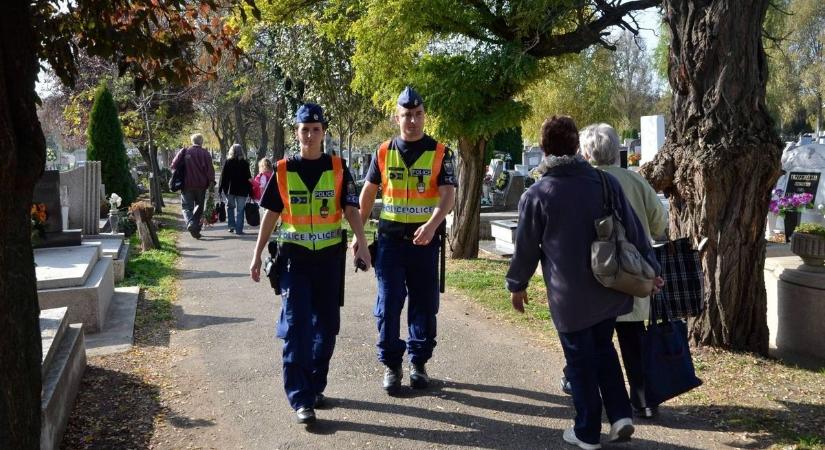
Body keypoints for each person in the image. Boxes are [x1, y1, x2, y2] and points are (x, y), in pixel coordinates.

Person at [505, 116, 663, 449]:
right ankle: (620, 415)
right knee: (604, 349)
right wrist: (652, 267)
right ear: (577, 146)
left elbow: (526, 247)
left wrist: (517, 284)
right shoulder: (605, 182)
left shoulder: (538, 193)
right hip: (608, 286)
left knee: (579, 361)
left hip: (569, 295)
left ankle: (587, 430)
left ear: (544, 149)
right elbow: (635, 229)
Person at [249, 103, 371, 425]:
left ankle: (315, 386)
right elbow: (271, 214)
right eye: (305, 130)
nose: (310, 135)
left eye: (316, 130)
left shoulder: (339, 167)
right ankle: (301, 398)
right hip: (295, 261)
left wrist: (362, 243)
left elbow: (351, 209)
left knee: (327, 328)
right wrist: (257, 254)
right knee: (298, 327)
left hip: (329, 261)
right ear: (297, 132)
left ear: (323, 133)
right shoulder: (283, 170)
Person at [358, 86, 457, 395]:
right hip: (390, 243)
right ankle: (391, 364)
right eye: (406, 115)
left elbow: (448, 195)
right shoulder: (383, 152)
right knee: (388, 304)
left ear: (424, 116)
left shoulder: (441, 152)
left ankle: (418, 362)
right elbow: (368, 194)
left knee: (424, 305)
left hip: (424, 242)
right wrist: (359, 234)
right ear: (396, 118)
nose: (412, 121)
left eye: (417, 114)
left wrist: (432, 225)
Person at [577, 123, 668, 419]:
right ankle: (644, 401)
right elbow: (659, 223)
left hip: (598, 272)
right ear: (617, 150)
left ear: (586, 153)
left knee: (596, 342)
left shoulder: (584, 183)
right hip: (634, 271)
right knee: (634, 341)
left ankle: (596, 399)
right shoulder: (636, 181)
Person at [171, 133, 215, 239]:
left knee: (187, 207)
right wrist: (211, 182)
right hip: (201, 185)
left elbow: (173, 165)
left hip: (186, 185)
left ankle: (190, 223)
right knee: (199, 207)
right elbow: (210, 170)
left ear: (192, 141)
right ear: (201, 142)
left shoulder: (185, 151)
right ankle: (196, 230)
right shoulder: (205, 153)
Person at [219, 144, 252, 234]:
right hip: (242, 190)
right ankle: (239, 229)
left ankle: (231, 226)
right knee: (240, 210)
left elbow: (223, 177)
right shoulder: (245, 163)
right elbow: (248, 178)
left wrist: (220, 189)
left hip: (230, 190)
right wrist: (250, 192)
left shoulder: (228, 162)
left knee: (230, 208)